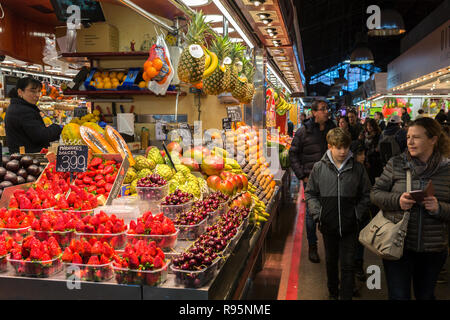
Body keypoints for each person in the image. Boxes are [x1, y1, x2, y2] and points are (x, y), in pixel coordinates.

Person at [370, 117, 450, 300]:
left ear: (433, 139)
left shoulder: (447, 170)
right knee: (399, 295)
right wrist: (397, 200)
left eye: (417, 137)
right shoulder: (396, 164)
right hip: (398, 246)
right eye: (408, 137)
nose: (410, 142)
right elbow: (375, 193)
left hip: (433, 249)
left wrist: (440, 208)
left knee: (426, 295)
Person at [305, 128, 371, 300]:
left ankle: (346, 295)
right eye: (338, 147)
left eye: (346, 147)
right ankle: (333, 292)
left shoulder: (357, 169)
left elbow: (366, 194)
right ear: (330, 146)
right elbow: (310, 193)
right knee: (331, 262)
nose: (343, 151)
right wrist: (319, 214)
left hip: (350, 226)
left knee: (348, 265)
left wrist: (357, 213)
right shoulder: (319, 168)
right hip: (328, 226)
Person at [289, 99, 336, 263]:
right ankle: (313, 246)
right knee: (311, 215)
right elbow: (293, 154)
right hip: (311, 180)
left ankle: (331, 246)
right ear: (314, 112)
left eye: (326, 109)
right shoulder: (303, 132)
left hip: (331, 179)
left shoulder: (333, 130)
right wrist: (302, 175)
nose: (326, 111)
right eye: (322, 109)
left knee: (330, 213)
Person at [5, 77, 62, 154]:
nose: (37, 95)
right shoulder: (23, 111)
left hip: (21, 157)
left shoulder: (16, 106)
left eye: (39, 91)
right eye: (33, 91)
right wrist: (58, 127)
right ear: (20, 92)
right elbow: (41, 136)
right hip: (29, 158)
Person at [364, 118, 383, 184]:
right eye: (367, 125)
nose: (369, 127)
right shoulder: (365, 135)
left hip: (375, 159)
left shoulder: (378, 135)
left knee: (374, 176)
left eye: (370, 125)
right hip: (367, 158)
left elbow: (378, 148)